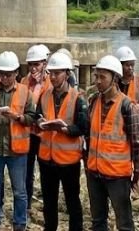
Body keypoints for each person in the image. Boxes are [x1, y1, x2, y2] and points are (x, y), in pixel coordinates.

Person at [0, 51, 36, 231]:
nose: (4, 78)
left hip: (16, 151)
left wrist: (17, 117)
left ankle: (19, 224)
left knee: (19, 191)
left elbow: (32, 118)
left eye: (8, 75)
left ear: (16, 73)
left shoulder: (26, 92)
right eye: (1, 74)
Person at [85, 54, 139, 231]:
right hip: (94, 173)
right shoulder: (93, 101)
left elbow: (137, 142)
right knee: (98, 221)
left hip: (118, 176)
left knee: (124, 222)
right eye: (96, 76)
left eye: (103, 77)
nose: (98, 81)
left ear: (115, 78)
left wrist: (137, 172)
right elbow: (89, 136)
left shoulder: (127, 106)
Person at [36, 52, 87, 231]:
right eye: (51, 73)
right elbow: (37, 116)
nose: (54, 77)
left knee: (72, 200)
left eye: (57, 73)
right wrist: (40, 123)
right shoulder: (44, 95)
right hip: (46, 158)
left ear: (67, 73)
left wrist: (66, 129)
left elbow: (84, 126)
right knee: (49, 202)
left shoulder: (78, 97)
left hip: (68, 160)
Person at [21, 44, 50, 209]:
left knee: (46, 172)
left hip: (44, 134)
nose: (33, 68)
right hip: (28, 132)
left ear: (44, 64)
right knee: (27, 171)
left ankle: (48, 205)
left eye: (36, 64)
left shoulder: (50, 82)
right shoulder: (24, 81)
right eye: (30, 64)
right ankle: (27, 204)